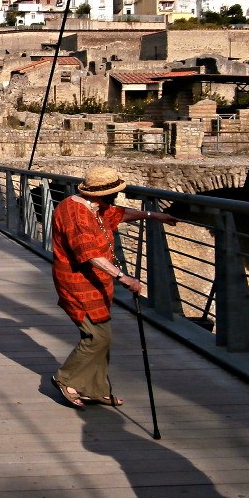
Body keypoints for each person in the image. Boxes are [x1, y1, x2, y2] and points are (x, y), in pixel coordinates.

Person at [49, 166, 177, 408]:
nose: (116, 197)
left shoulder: (95, 207)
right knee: (96, 337)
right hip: (78, 284)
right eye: (113, 193)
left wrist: (154, 216)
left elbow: (118, 214)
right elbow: (90, 255)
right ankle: (66, 378)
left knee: (102, 336)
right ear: (98, 194)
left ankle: (94, 389)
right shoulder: (76, 214)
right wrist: (123, 278)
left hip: (96, 284)